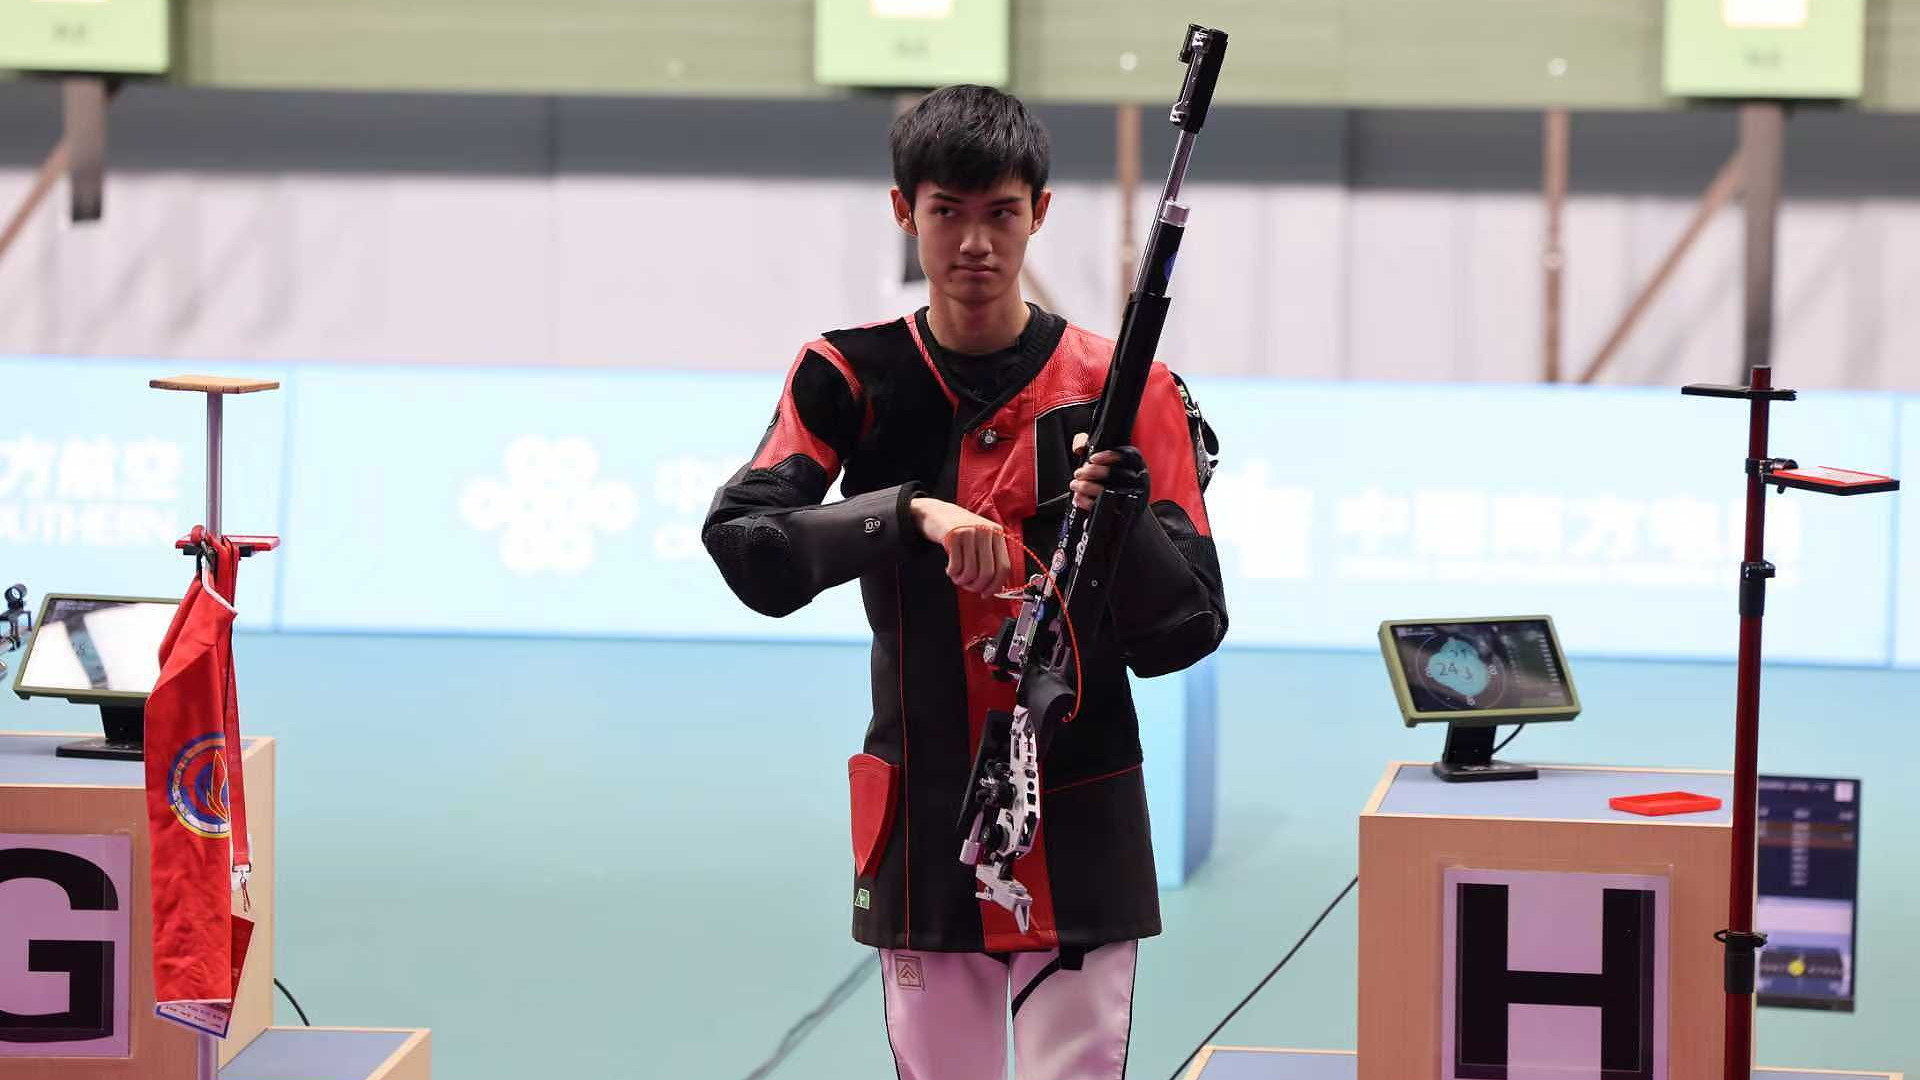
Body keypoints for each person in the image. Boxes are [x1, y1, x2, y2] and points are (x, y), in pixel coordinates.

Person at [702, 84, 1227, 1080]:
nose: (975, 242)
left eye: (1001, 212)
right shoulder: (845, 375)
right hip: (926, 814)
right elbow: (748, 547)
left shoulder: (1128, 389)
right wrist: (905, 514)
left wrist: (1119, 520)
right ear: (905, 212)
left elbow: (1186, 635)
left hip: (1082, 815)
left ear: (1041, 211)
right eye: (948, 211)